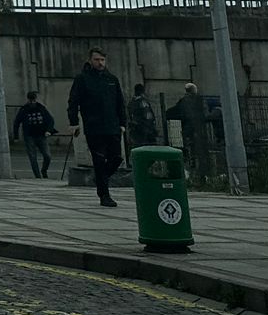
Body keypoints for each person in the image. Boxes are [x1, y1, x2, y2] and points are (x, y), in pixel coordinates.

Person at [67, 48, 126, 207]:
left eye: (102, 60)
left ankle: (101, 178)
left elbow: (119, 103)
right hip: (94, 127)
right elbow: (73, 102)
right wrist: (73, 122)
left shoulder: (112, 79)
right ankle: (104, 194)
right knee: (99, 160)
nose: (100, 63)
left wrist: (122, 123)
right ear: (90, 61)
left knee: (116, 158)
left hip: (112, 126)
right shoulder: (83, 79)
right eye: (97, 60)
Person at [13, 91, 56, 178]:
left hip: (41, 135)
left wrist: (48, 130)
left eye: (34, 100)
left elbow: (50, 120)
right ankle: (38, 176)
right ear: (28, 100)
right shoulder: (24, 109)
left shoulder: (41, 108)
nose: (32, 103)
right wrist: (16, 136)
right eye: (30, 101)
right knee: (33, 157)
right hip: (29, 136)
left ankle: (44, 170)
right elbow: (16, 122)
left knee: (47, 156)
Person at [173, 82, 212, 178]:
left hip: (187, 128)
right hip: (199, 128)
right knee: (202, 151)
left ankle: (191, 170)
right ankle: (203, 173)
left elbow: (177, 113)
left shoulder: (182, 101)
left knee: (189, 149)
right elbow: (206, 114)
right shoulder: (199, 100)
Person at [127, 84, 159, 152]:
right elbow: (148, 116)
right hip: (145, 129)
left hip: (136, 129)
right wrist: (152, 127)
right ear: (143, 92)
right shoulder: (143, 102)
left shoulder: (131, 102)